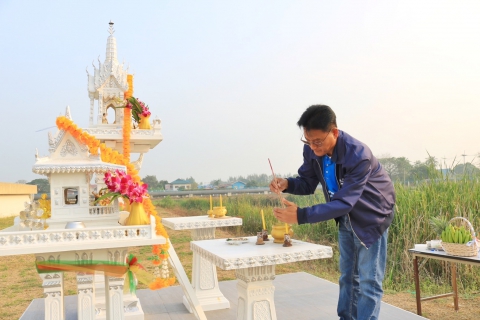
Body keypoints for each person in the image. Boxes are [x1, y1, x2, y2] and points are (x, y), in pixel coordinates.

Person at [270, 105, 395, 320]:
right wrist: (287, 183)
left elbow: (345, 201)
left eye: (317, 141)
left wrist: (301, 215)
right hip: (345, 217)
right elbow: (308, 183)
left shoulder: (358, 155)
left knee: (368, 281)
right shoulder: (312, 150)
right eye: (308, 141)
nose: (313, 147)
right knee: (347, 277)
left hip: (371, 217)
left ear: (334, 132)